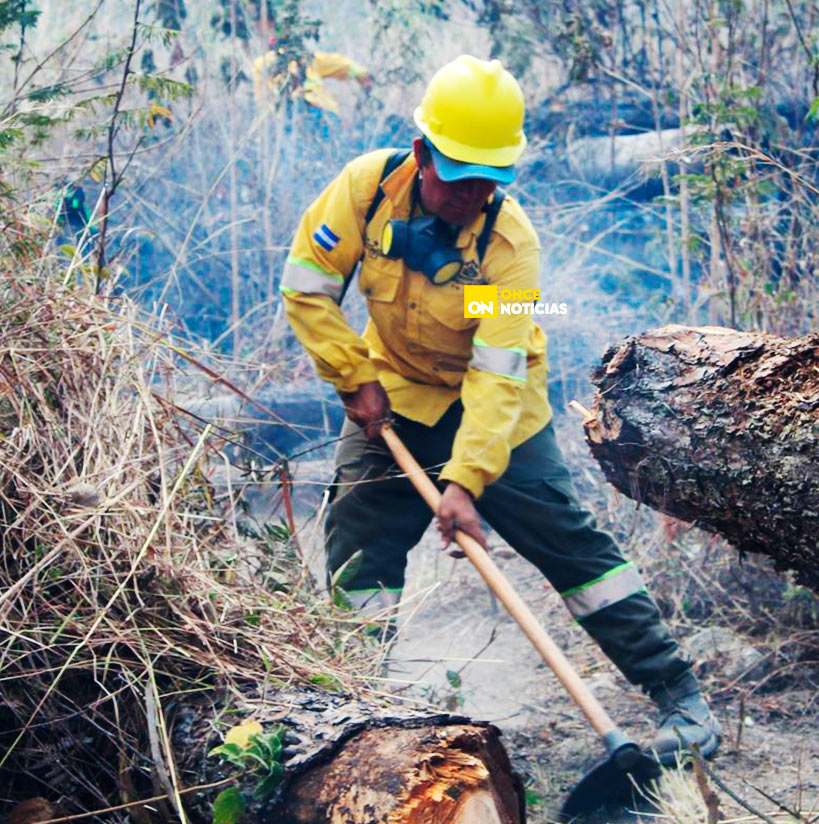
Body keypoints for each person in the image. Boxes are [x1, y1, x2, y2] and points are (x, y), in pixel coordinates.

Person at [279, 54, 721, 759]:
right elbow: (306, 284)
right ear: (422, 153)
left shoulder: (510, 248)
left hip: (499, 408)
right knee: (358, 552)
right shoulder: (365, 191)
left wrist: (465, 482)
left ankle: (679, 698)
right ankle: (352, 713)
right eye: (459, 178)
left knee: (572, 545)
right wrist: (351, 374)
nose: (472, 195)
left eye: (489, 180)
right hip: (390, 394)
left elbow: (494, 372)